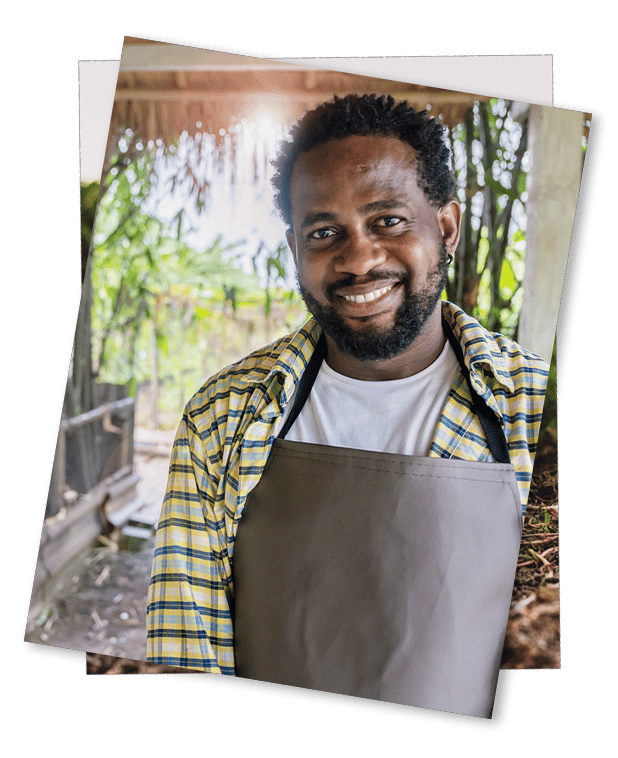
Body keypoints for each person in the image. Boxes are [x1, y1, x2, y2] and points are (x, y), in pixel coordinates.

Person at [147, 94, 549, 718]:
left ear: (445, 226)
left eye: (388, 220)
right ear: (294, 250)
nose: (358, 259)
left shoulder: (535, 412)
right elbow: (184, 651)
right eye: (325, 232)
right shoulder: (224, 415)